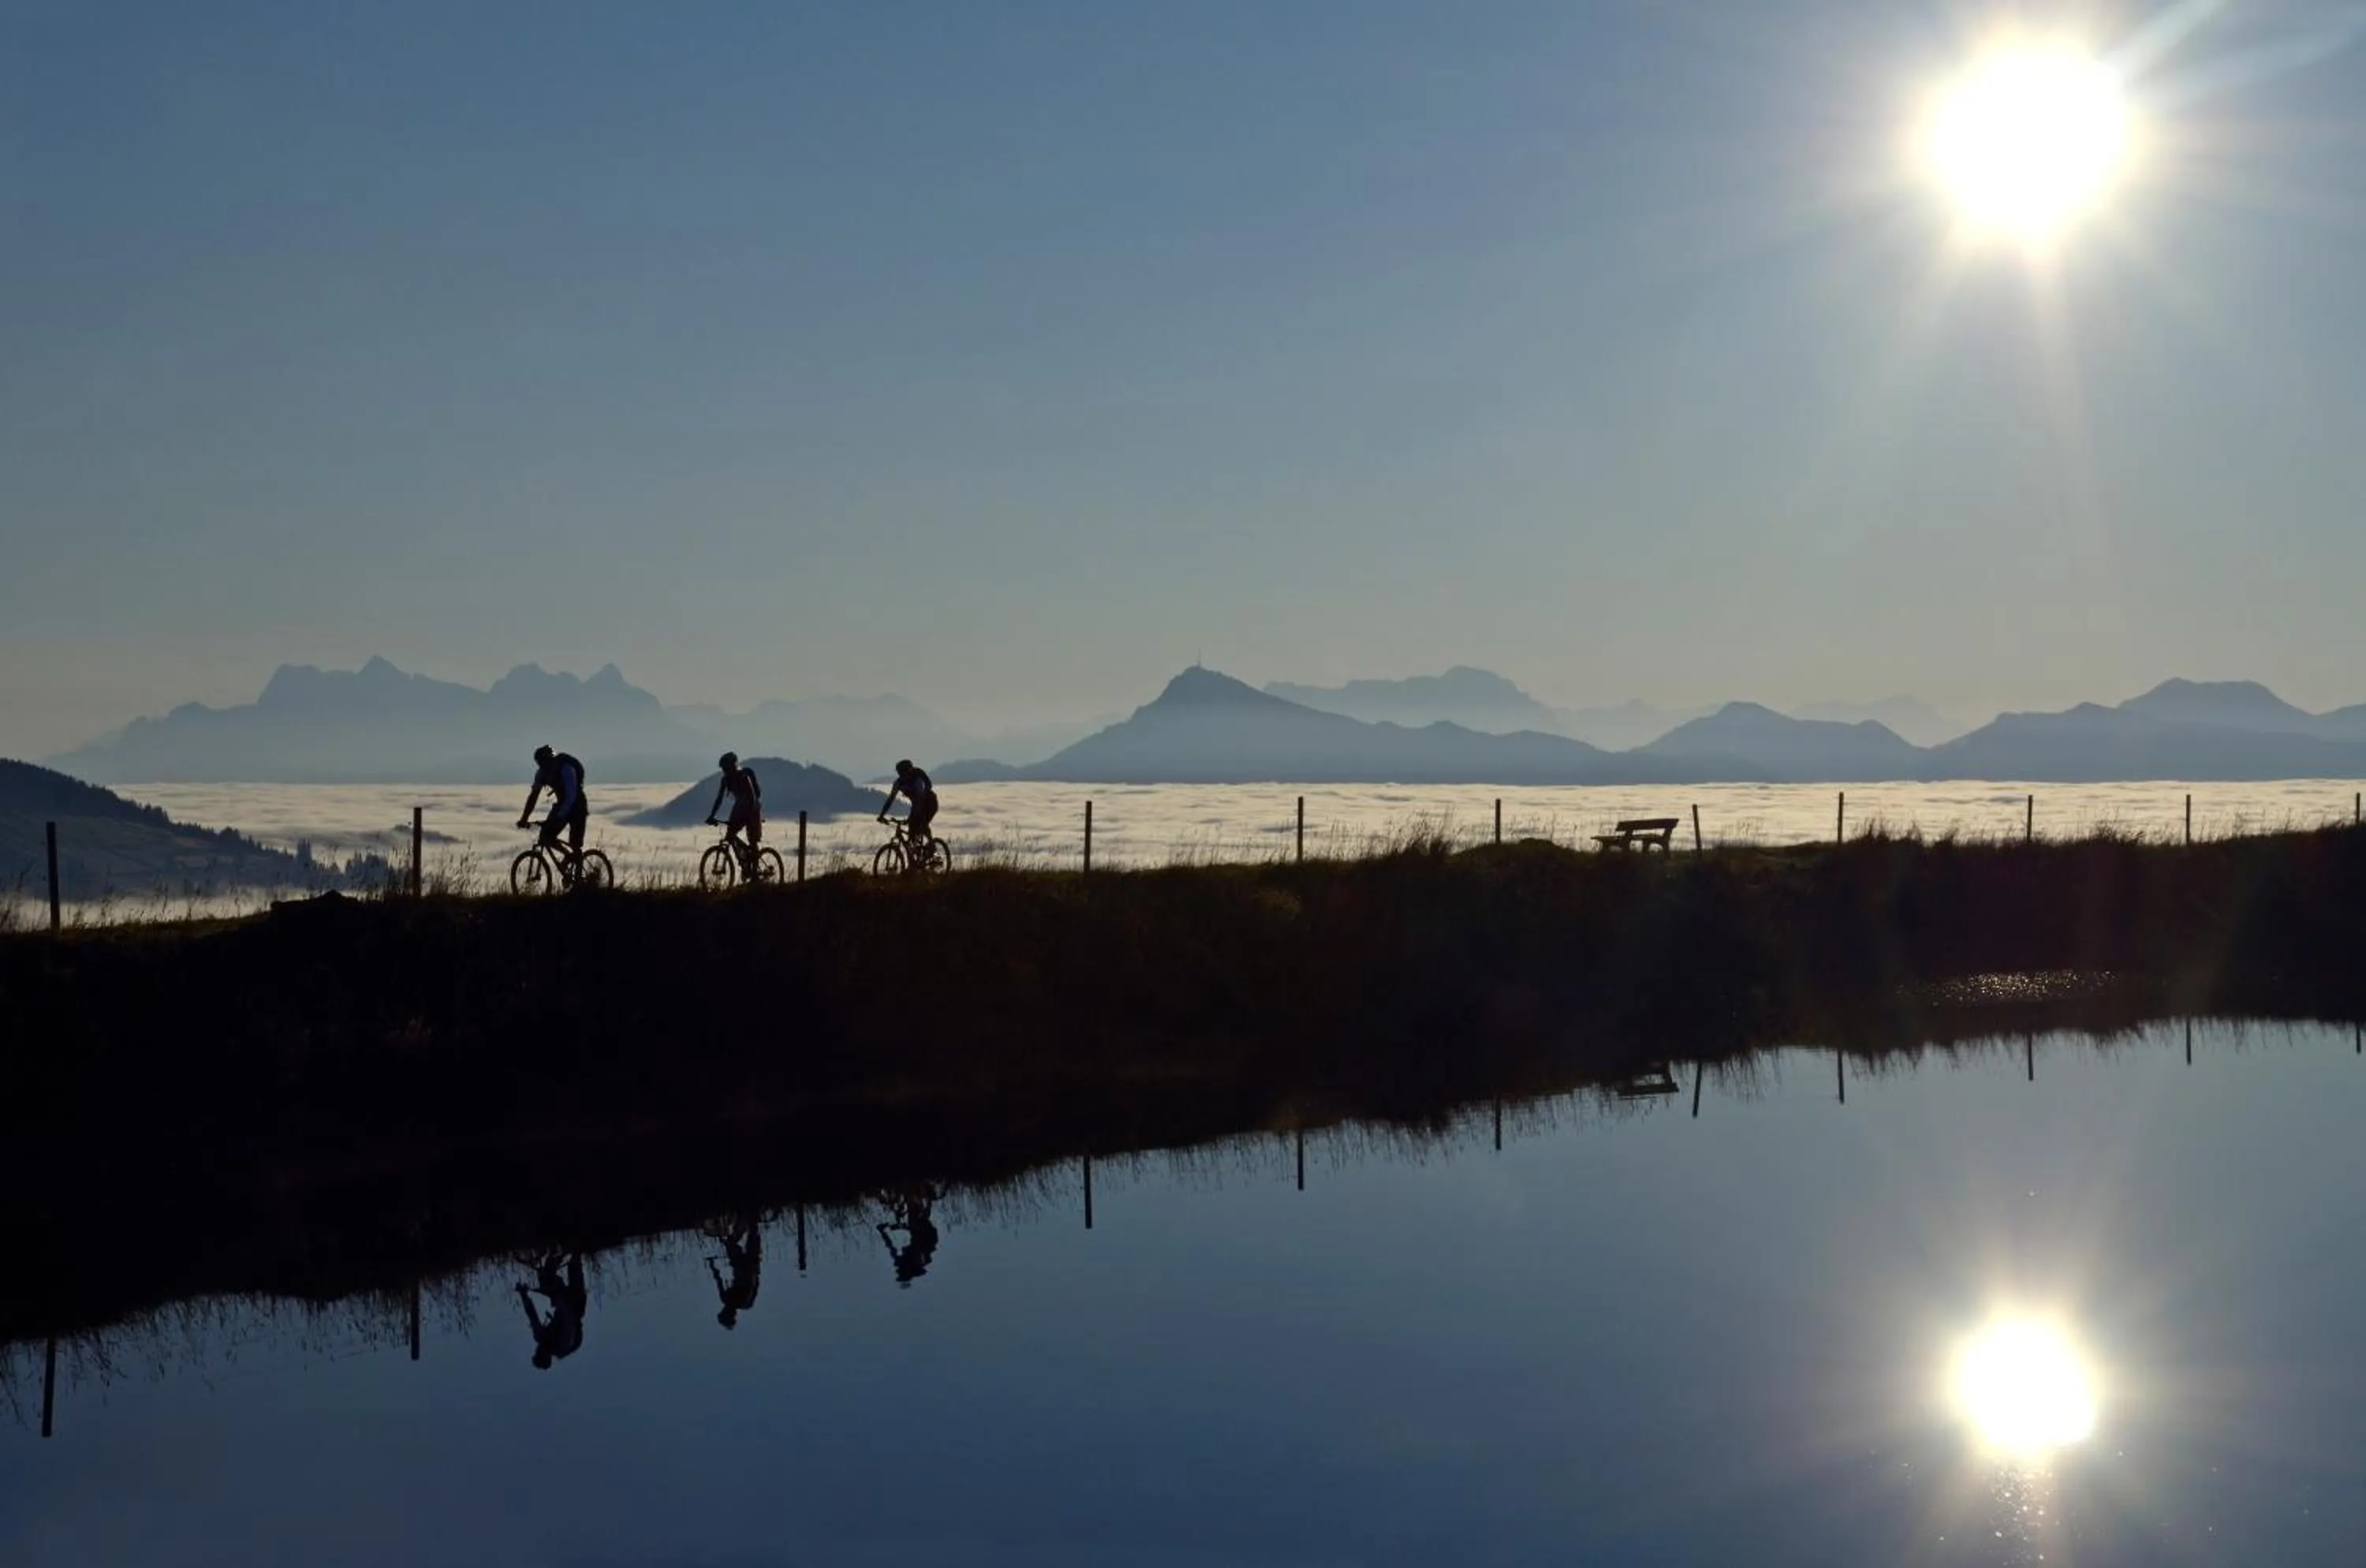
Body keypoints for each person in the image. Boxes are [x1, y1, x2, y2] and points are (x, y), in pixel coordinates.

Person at [517, 744, 589, 868]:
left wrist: (560, 816)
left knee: (575, 843)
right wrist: (524, 818)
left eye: (544, 762)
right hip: (562, 803)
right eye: (540, 763)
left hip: (578, 805)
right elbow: (533, 796)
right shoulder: (541, 774)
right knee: (546, 836)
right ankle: (569, 856)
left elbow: (571, 795)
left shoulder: (566, 768)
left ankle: (580, 878)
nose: (543, 765)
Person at [516, 1251, 587, 1369]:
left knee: (546, 1276)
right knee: (574, 1264)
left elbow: (532, 1315)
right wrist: (558, 1302)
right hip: (576, 1306)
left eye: (537, 1353)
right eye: (539, 1354)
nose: (538, 1350)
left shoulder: (540, 1337)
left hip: (563, 1303)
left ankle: (557, 1250)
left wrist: (523, 1295)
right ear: (546, 1357)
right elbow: (570, 1322)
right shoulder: (561, 1347)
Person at [703, 753, 763, 874]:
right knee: (730, 835)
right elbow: (719, 799)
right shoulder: (725, 780)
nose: (725, 771)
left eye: (726, 768)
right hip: (740, 807)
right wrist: (712, 815)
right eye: (724, 769)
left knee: (752, 840)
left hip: (753, 808)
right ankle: (744, 863)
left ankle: (755, 870)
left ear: (733, 766)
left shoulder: (744, 776)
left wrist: (750, 815)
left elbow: (753, 797)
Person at [875, 1185, 940, 1288]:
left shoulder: (902, 1262)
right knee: (915, 1220)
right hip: (928, 1237)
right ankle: (924, 1196)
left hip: (921, 1235)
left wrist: (884, 1232)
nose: (898, 1269)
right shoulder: (918, 1264)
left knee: (912, 1220)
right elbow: (922, 1246)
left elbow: (891, 1247)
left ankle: (916, 1197)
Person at [703, 1218, 763, 1331]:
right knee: (752, 1233)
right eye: (726, 1312)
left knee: (731, 1242)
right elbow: (754, 1283)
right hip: (748, 1267)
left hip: (741, 1267)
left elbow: (718, 1279)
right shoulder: (745, 1303)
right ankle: (747, 1218)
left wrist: (712, 1266)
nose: (726, 1310)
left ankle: (740, 1222)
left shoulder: (727, 1299)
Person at [880, 759, 938, 850]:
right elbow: (890, 800)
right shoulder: (898, 783)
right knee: (912, 834)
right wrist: (881, 815)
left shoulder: (917, 779)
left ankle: (932, 846)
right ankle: (915, 858)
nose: (901, 775)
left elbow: (920, 798)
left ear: (909, 771)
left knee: (922, 824)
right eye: (899, 773)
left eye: (902, 773)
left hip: (930, 803)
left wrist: (912, 817)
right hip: (916, 804)